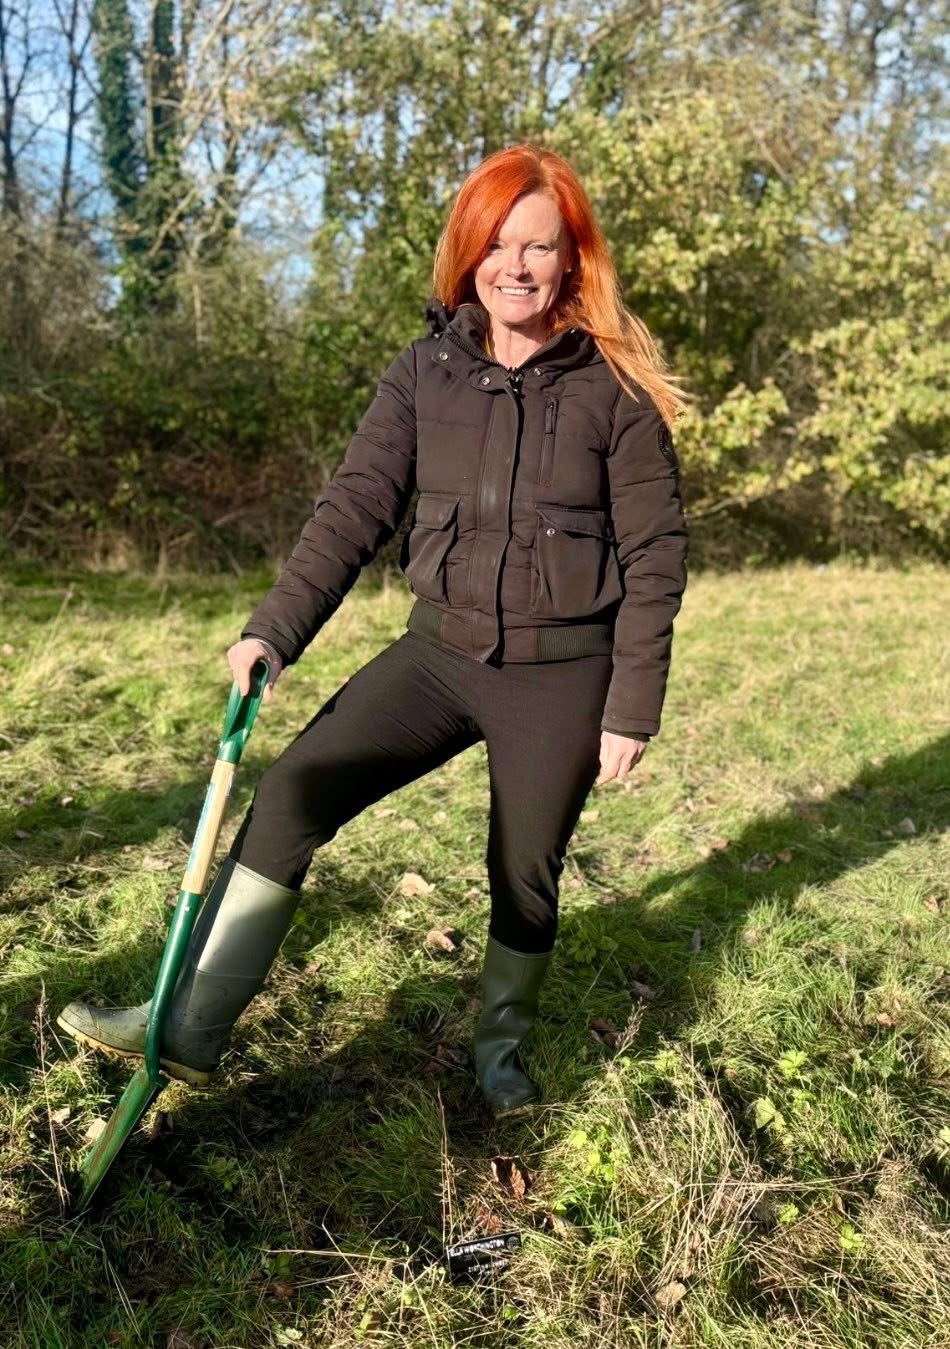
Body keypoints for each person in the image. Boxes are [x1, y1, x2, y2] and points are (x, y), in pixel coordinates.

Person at [58, 143, 689, 1118]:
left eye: (538, 247)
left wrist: (630, 705)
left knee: (522, 868)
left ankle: (499, 1052)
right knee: (292, 792)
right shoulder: (422, 373)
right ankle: (182, 1028)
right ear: (468, 252)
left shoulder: (612, 394)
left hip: (562, 673)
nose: (514, 266)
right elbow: (353, 508)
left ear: (572, 261)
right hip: (436, 654)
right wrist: (274, 629)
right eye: (496, 243)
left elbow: (654, 555)